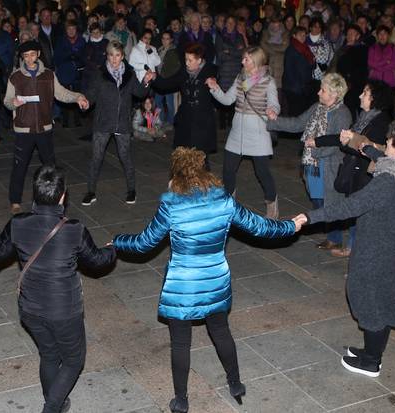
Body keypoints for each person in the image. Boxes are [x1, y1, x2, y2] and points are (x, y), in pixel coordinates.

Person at [113, 147, 304, 413]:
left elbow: (145, 243)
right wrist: (290, 226)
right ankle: (235, 383)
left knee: (180, 343)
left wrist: (118, 242)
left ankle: (181, 400)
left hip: (183, 285)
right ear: (204, 171)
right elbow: (260, 226)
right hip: (215, 280)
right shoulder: (223, 200)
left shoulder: (171, 204)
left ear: (176, 174)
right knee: (221, 332)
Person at [0, 165, 116, 413]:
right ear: (63, 196)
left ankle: (56, 401)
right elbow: (98, 261)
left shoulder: (18, 223)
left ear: (35, 193)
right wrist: (113, 248)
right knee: (73, 360)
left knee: (49, 354)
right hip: (63, 310)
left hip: (29, 308)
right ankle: (51, 406)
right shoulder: (74, 229)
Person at [297, 119, 395, 378]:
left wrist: (308, 217)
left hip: (377, 248)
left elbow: (350, 206)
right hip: (392, 245)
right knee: (382, 299)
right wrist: (366, 148)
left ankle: (372, 362)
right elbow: (382, 156)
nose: (385, 145)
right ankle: (371, 352)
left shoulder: (387, 182)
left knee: (370, 302)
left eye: (389, 143)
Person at [267, 73, 353, 251]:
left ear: (334, 94)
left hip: (329, 165)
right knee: (317, 200)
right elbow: (298, 124)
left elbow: (338, 142)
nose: (318, 93)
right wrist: (274, 120)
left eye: (323, 90)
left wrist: (315, 148)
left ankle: (334, 238)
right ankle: (330, 232)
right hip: (312, 165)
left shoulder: (343, 114)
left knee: (331, 203)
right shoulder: (317, 108)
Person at [3, 40, 89, 214]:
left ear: (39, 54)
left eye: (32, 54)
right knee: (20, 166)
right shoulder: (16, 77)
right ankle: (15, 201)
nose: (29, 59)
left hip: (44, 127)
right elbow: (6, 101)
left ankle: (53, 198)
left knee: (50, 166)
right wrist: (14, 103)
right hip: (24, 128)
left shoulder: (49, 75)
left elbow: (62, 93)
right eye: (25, 56)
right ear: (22, 57)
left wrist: (78, 97)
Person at [312, 79, 394, 257]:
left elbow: (367, 148)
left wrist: (349, 142)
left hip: (366, 174)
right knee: (355, 208)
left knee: (360, 209)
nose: (360, 95)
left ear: (375, 98)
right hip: (355, 171)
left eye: (365, 93)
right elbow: (344, 138)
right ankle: (352, 245)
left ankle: (353, 246)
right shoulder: (364, 118)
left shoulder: (380, 121)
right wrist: (318, 141)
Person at [206, 46, 280, 219]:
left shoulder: (268, 81)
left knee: (262, 172)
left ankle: (272, 204)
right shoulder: (241, 78)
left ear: (255, 61)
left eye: (246, 59)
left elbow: (275, 103)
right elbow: (227, 100)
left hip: (258, 132)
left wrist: (272, 110)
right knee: (228, 169)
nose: (242, 61)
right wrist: (215, 88)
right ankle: (228, 205)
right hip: (238, 130)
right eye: (243, 58)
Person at [81, 40, 153, 206]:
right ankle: (90, 192)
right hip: (103, 122)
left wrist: (147, 81)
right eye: (111, 55)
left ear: (122, 56)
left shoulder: (129, 74)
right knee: (96, 157)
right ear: (107, 55)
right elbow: (91, 93)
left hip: (122, 122)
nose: (114, 59)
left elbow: (140, 93)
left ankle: (131, 190)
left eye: (118, 55)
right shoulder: (99, 73)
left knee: (125, 157)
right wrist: (86, 102)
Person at [153, 43, 218, 165]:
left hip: (202, 122)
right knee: (183, 158)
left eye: (190, 60)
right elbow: (166, 84)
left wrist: (215, 82)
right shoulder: (184, 72)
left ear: (199, 60)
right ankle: (184, 183)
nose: (187, 63)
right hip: (186, 120)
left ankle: (203, 183)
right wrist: (154, 78)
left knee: (201, 160)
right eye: (185, 59)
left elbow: (221, 86)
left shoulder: (210, 70)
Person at [283, 27, 316, 116]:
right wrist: (298, 88)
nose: (303, 37)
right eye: (300, 35)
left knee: (301, 113)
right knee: (295, 113)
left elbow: (312, 65)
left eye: (304, 35)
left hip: (304, 87)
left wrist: (313, 61)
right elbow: (289, 71)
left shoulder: (305, 48)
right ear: (294, 36)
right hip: (294, 88)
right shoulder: (291, 49)